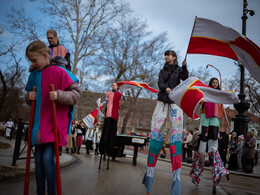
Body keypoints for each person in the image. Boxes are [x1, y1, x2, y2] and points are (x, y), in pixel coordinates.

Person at [25, 40, 80, 195]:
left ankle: (52, 192)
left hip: (54, 123)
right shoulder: (33, 75)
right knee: (38, 161)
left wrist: (59, 95)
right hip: (38, 125)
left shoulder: (61, 71)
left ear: (44, 55)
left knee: (47, 159)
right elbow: (28, 96)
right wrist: (29, 96)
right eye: (31, 61)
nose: (33, 64)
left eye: (34, 60)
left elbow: (76, 94)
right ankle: (40, 192)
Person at [142, 50, 188, 195]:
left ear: (174, 57)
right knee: (155, 135)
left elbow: (185, 78)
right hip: (162, 102)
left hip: (175, 102)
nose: (166, 57)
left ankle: (176, 182)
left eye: (169, 55)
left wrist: (185, 67)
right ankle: (149, 178)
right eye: (165, 55)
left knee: (176, 137)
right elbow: (160, 83)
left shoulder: (180, 69)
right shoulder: (162, 71)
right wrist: (165, 88)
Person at [190, 78, 229, 194]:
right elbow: (200, 100)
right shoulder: (206, 92)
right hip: (205, 119)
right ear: (211, 83)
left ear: (218, 84)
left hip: (215, 121)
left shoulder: (219, 95)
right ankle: (196, 177)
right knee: (201, 150)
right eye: (213, 82)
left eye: (216, 83)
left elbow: (223, 107)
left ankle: (214, 183)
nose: (215, 84)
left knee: (213, 150)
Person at [99, 83, 124, 158]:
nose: (113, 86)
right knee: (106, 131)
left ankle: (110, 149)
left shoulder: (119, 94)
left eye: (115, 85)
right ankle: (103, 148)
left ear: (117, 87)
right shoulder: (109, 93)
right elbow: (106, 101)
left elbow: (123, 100)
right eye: (112, 85)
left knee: (112, 132)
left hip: (115, 114)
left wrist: (124, 96)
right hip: (108, 113)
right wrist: (102, 103)